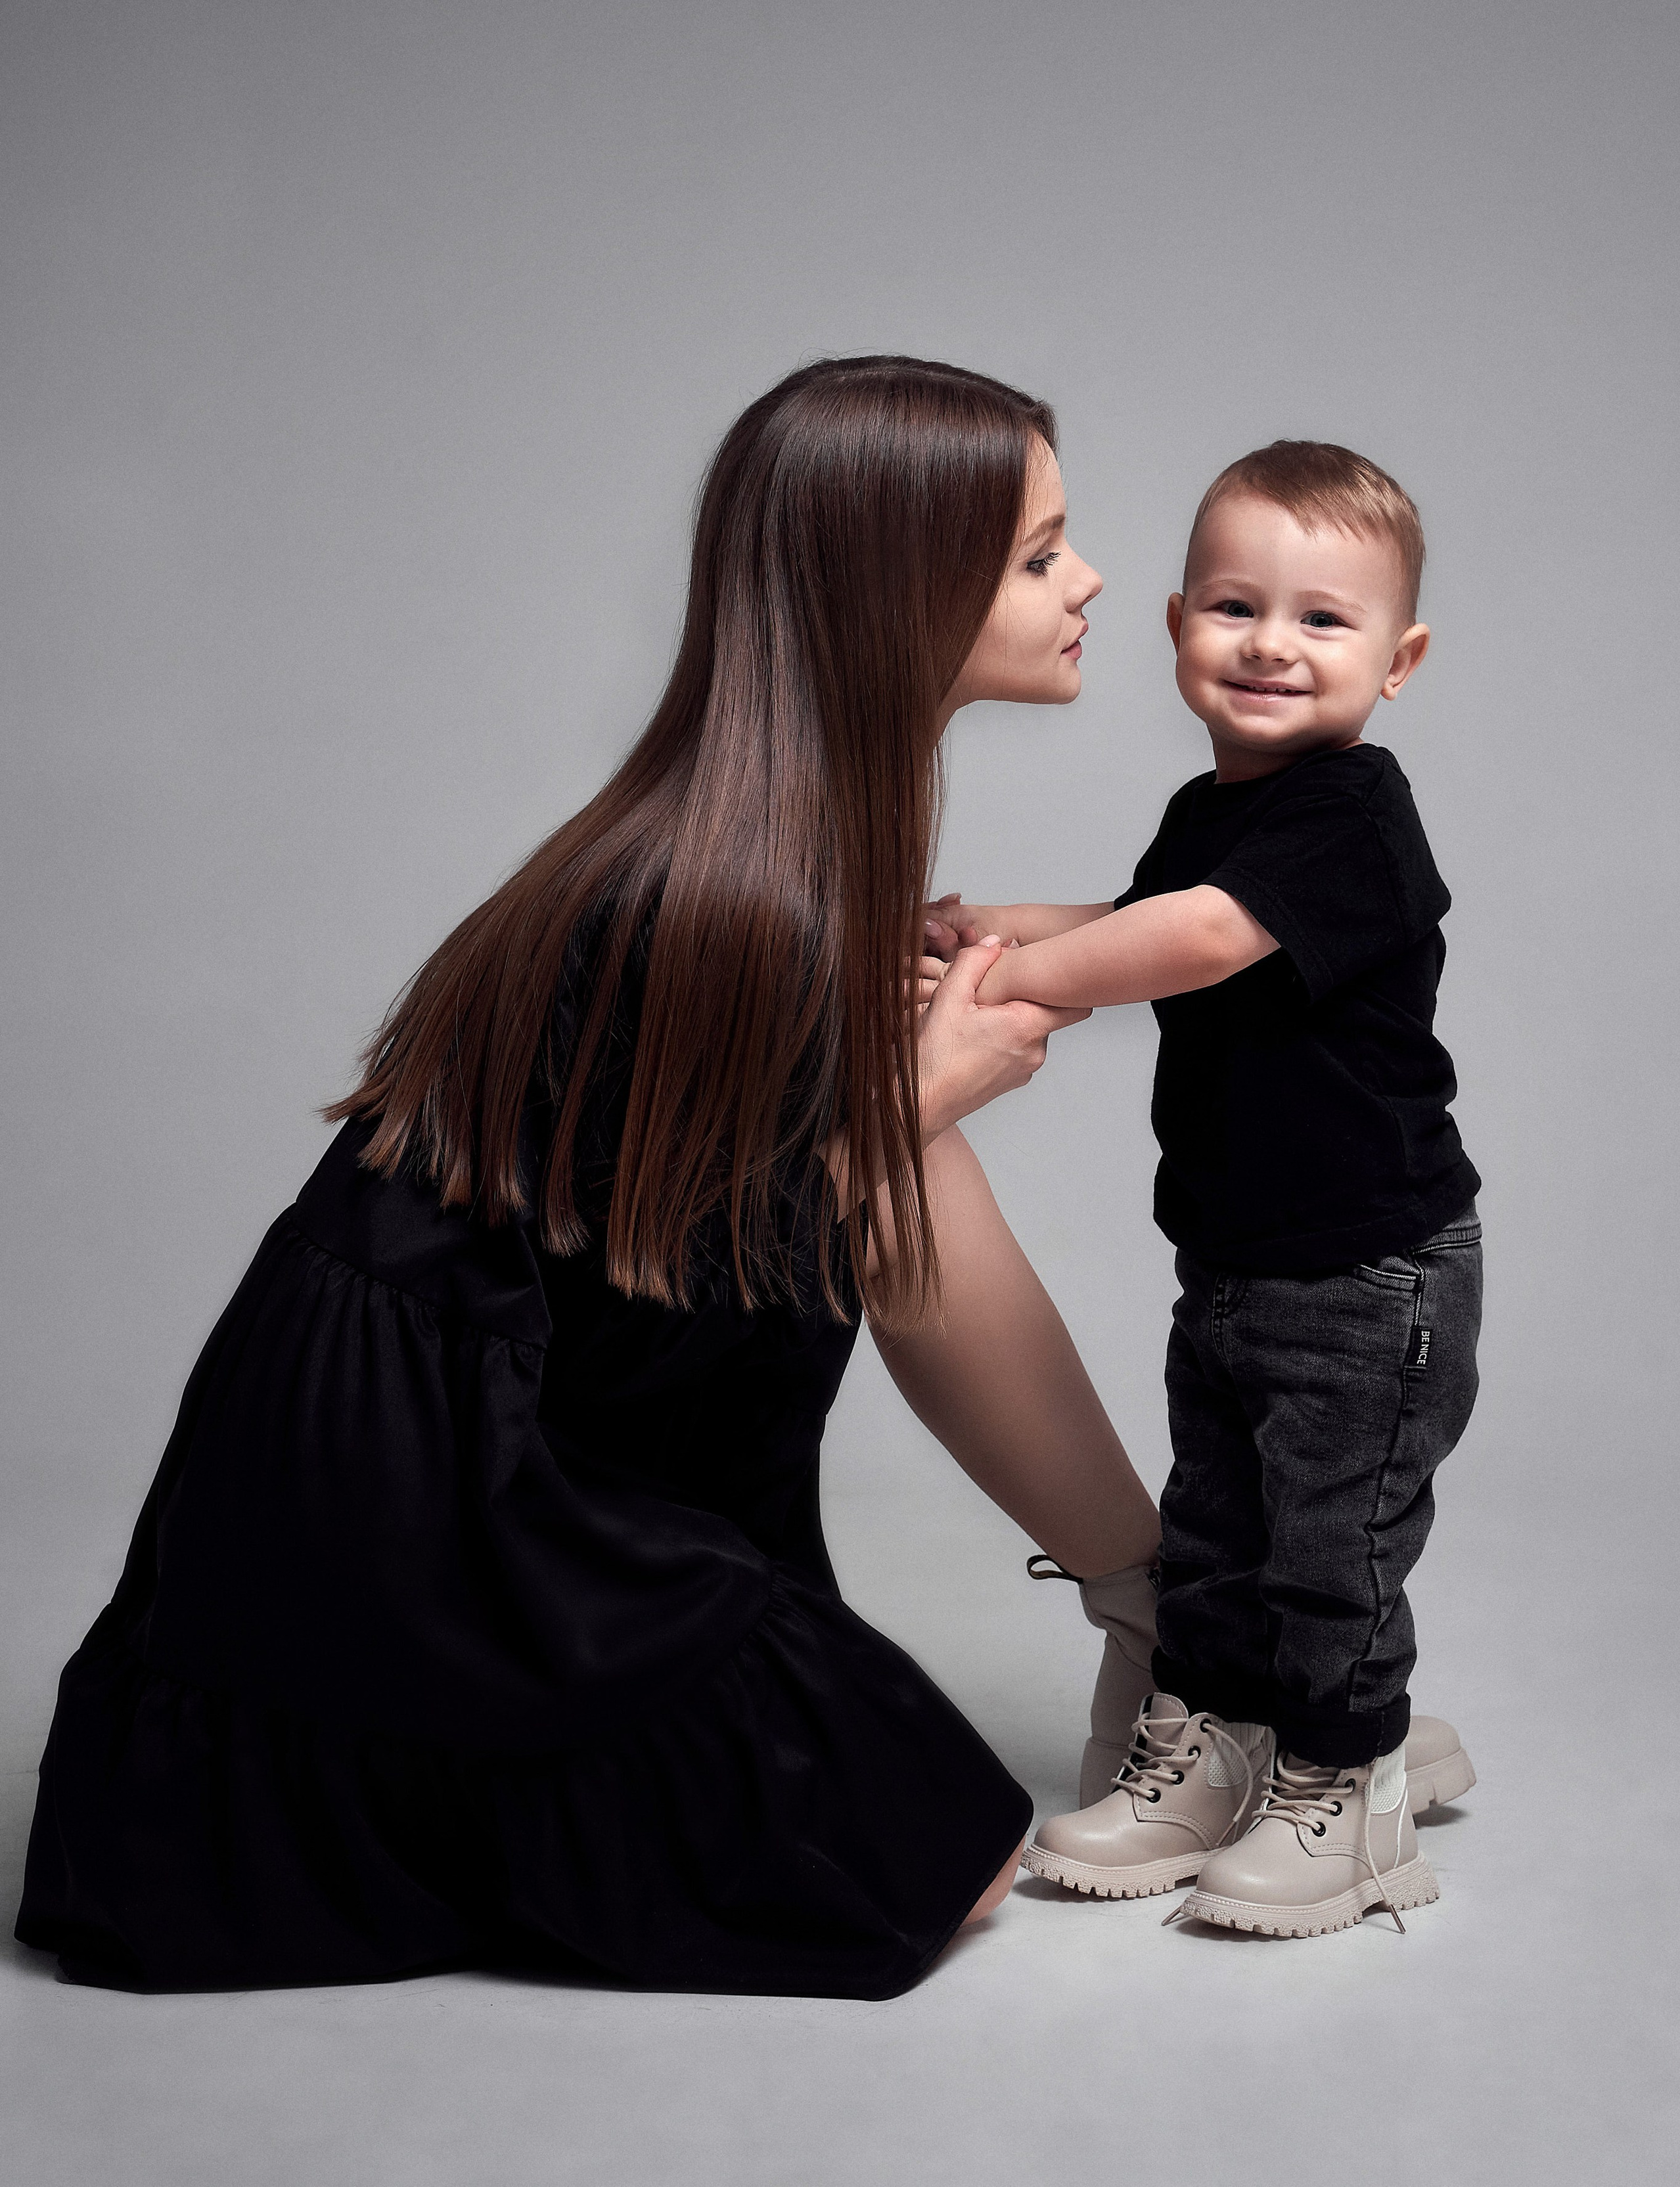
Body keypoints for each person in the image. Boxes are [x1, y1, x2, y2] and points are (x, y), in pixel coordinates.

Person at [16, 355, 1161, 2000]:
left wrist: (906, 1083)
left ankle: (1159, 1603)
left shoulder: (785, 848)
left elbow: (752, 1250)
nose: (1089, 579)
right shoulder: (711, 894)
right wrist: (906, 1096)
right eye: (1040, 553)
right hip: (420, 1517)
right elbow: (661, 1296)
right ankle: (1158, 1605)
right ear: (902, 593)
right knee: (946, 1865)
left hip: (525, 1452)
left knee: (914, 1179)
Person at [924, 441, 1480, 1936]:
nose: (1269, 646)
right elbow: (1138, 915)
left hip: (1371, 1272)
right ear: (1176, 625)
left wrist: (1017, 983)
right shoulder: (1212, 808)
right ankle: (1219, 1755)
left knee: (1329, 1552)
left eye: (1321, 620)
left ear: (1398, 658)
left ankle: (1350, 1792)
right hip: (1238, 1263)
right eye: (1235, 606)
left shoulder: (1351, 815)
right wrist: (991, 926)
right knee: (1222, 1531)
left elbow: (1203, 945)